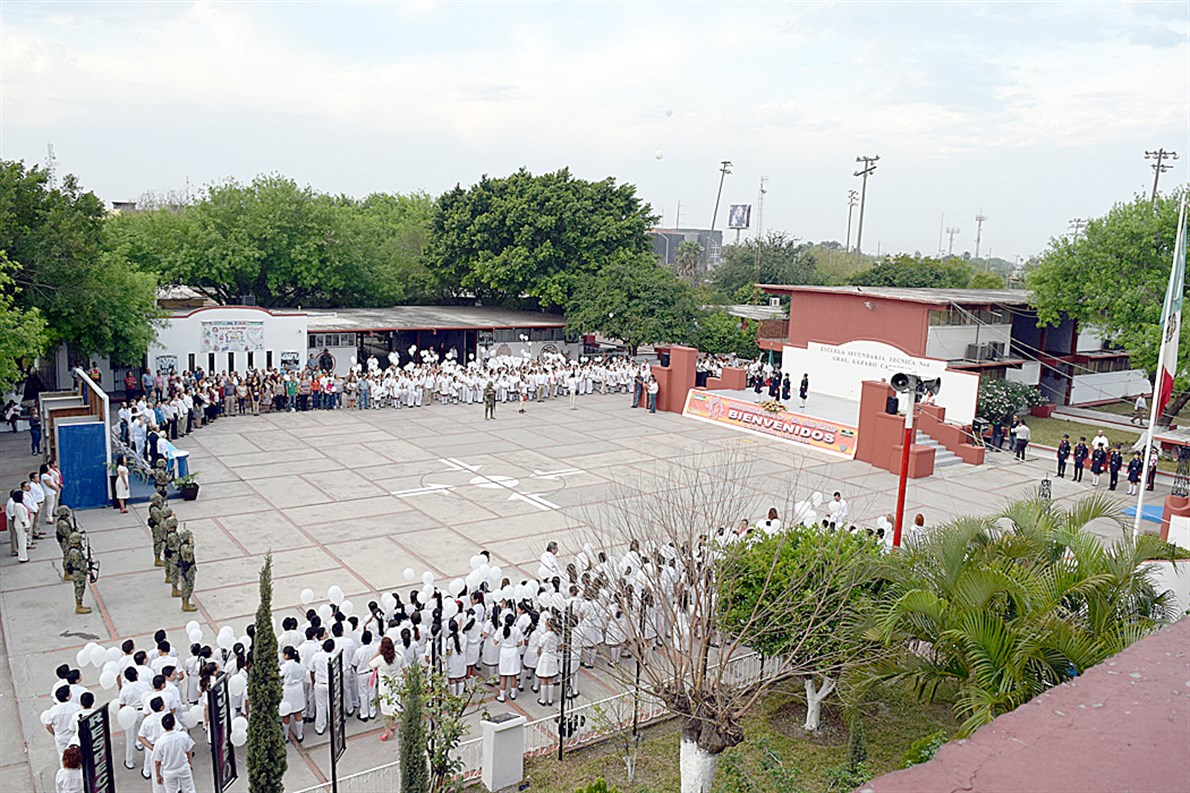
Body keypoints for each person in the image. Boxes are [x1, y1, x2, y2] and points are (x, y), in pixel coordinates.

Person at [368, 636, 405, 741]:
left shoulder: (380, 659)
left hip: (385, 685)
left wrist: (377, 652)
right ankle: (392, 724)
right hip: (397, 683)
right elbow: (405, 669)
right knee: (394, 704)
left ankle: (387, 730)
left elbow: (370, 663)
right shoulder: (399, 656)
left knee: (385, 708)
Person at [152, 713, 196, 793]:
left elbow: (157, 762)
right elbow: (188, 751)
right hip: (183, 767)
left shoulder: (160, 742)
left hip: (169, 771)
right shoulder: (183, 736)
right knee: (189, 790)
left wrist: (158, 775)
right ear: (174, 723)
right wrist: (190, 764)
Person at [41, 686, 82, 763]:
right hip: (73, 735)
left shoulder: (53, 710)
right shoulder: (76, 707)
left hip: (60, 737)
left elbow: (47, 725)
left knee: (63, 756)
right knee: (77, 754)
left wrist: (54, 733)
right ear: (68, 697)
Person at [279, 646, 306, 742]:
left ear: (286, 655)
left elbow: (279, 676)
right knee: (298, 713)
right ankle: (299, 735)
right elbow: (303, 674)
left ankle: (285, 736)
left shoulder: (284, 667)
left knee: (286, 714)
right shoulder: (299, 665)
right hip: (297, 689)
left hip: (287, 690)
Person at [65, 533, 91, 614]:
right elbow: (78, 564)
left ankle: (80, 605)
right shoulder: (75, 552)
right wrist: (87, 571)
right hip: (78, 573)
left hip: (78, 572)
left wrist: (86, 560)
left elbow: (80, 560)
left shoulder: (75, 550)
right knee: (79, 589)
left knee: (81, 588)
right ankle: (79, 606)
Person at [7, 489, 31, 562]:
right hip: (21, 525)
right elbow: (21, 517)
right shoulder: (19, 506)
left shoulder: (17, 504)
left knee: (22, 541)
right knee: (22, 542)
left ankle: (23, 556)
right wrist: (25, 526)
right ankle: (23, 557)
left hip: (20, 525)